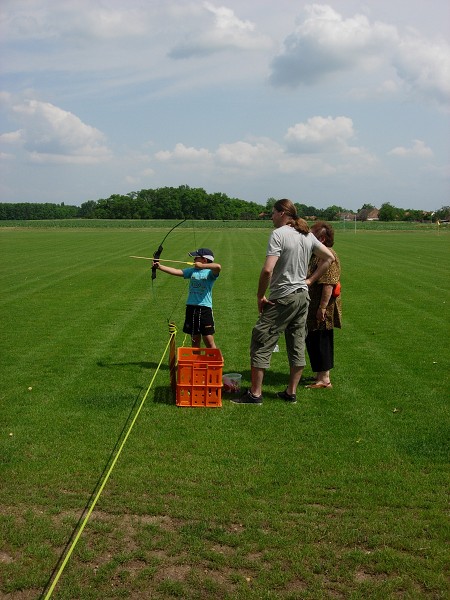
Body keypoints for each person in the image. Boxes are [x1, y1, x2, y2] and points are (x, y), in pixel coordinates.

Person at [233, 199, 335, 405]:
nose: (271, 217)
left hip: (284, 297)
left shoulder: (278, 234)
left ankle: (255, 394)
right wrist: (308, 281)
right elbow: (329, 257)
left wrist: (260, 296)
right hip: (302, 298)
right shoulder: (306, 235)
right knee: (297, 344)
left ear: (282, 214)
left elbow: (268, 269)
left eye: (273, 213)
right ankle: (291, 393)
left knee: (261, 340)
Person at [152, 248, 221, 348]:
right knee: (194, 339)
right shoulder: (192, 271)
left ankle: (214, 361)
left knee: (208, 339)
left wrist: (202, 266)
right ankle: (195, 361)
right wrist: (159, 266)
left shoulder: (210, 273)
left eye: (196, 258)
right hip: (191, 308)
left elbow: (218, 267)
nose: (194, 260)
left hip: (205, 309)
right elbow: (176, 271)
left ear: (204, 260)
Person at [305, 221, 342, 388]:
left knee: (322, 340)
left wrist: (322, 308)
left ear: (322, 238)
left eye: (312, 234)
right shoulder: (317, 254)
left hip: (322, 307)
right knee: (314, 339)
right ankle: (319, 374)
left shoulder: (328, 255)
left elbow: (328, 284)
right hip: (313, 306)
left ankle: (324, 379)